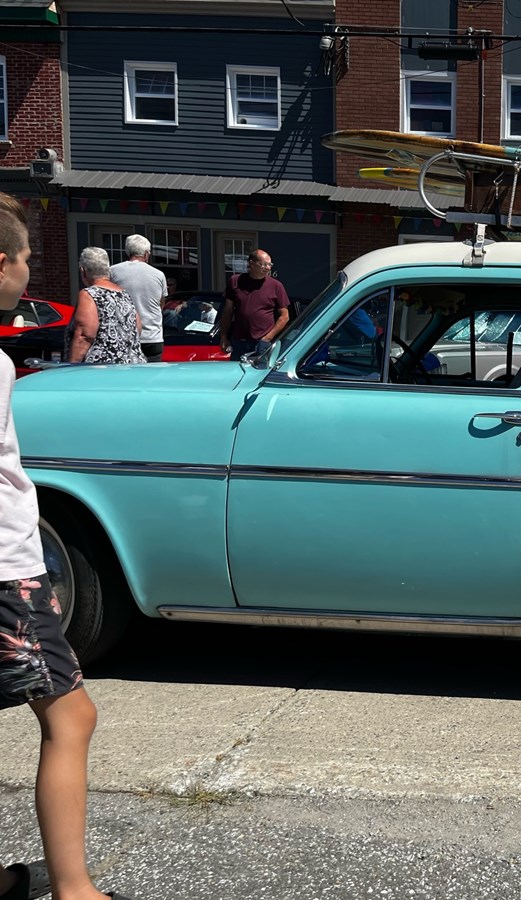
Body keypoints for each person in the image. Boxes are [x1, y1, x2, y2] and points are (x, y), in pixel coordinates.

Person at [0, 194, 129, 900]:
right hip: (4, 570)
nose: (29, 272)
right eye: (24, 259)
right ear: (1, 265)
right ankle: (75, 891)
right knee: (71, 714)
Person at [66, 248, 145, 365]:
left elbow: (84, 335)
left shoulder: (89, 294)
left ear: (83, 271)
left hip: (101, 370)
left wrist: (71, 367)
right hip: (131, 366)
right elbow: (137, 328)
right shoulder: (124, 294)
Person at [219, 249, 289, 360]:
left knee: (259, 375)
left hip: (262, 343)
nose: (268, 268)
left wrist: (267, 338)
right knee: (236, 375)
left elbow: (285, 316)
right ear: (251, 263)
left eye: (270, 264)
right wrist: (223, 337)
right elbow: (228, 311)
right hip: (239, 342)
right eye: (264, 264)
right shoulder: (235, 281)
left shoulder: (276, 286)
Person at [107, 235, 167, 363]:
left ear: (127, 252)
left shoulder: (112, 271)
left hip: (123, 336)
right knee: (152, 378)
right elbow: (161, 304)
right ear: (146, 254)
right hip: (152, 337)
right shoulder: (158, 274)